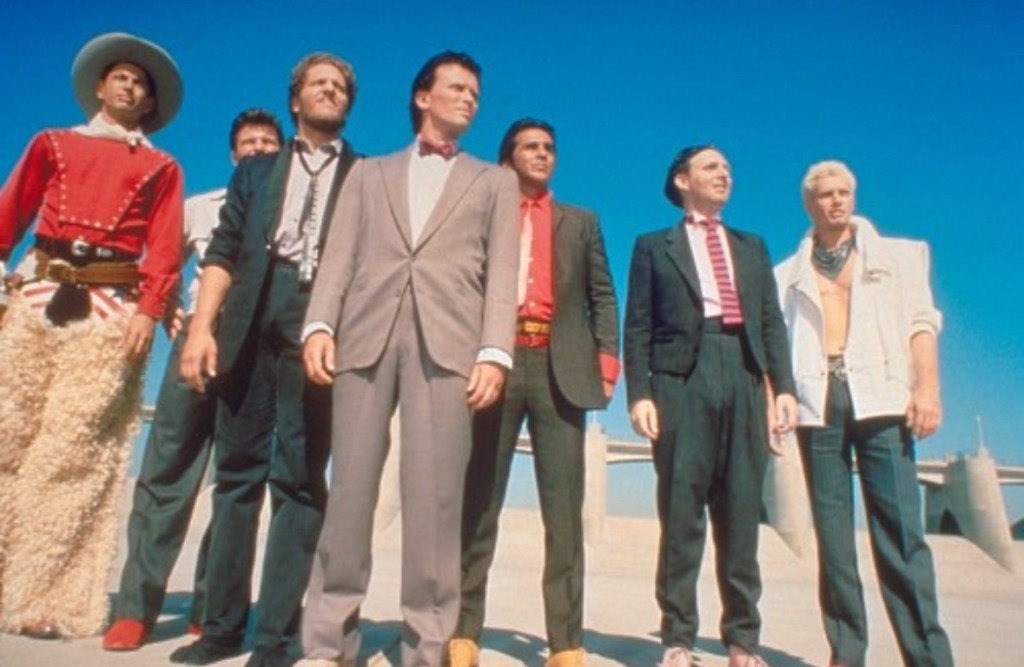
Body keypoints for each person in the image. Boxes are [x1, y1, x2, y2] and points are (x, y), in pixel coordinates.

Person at [297, 51, 519, 667]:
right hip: (364, 338)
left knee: (436, 502)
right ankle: (328, 642)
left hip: (450, 347)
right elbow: (339, 255)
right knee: (349, 492)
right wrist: (319, 323)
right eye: (458, 87)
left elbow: (503, 272)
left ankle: (426, 647)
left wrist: (494, 351)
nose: (470, 98)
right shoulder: (368, 173)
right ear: (423, 96)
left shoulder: (494, 182)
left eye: (476, 92)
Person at [172, 54, 359, 667]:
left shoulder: (365, 175)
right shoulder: (255, 171)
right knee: (236, 476)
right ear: (295, 101)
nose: (330, 90)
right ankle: (221, 627)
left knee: (300, 479)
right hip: (250, 316)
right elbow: (222, 252)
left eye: (340, 86)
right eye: (318, 83)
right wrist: (203, 329)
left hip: (321, 323)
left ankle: (276, 637)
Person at [0, 31, 183, 639]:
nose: (130, 87)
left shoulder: (162, 167)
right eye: (121, 77)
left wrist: (148, 312)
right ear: (100, 88)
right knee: (7, 434)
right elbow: (10, 212)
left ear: (150, 103)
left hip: (110, 307)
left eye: (141, 83)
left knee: (75, 453)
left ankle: (45, 597)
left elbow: (164, 248)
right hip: (37, 292)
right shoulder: (51, 142)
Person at [103, 109, 285, 652]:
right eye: (249, 142)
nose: (258, 149)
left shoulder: (289, 209)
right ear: (233, 153)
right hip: (198, 340)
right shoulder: (200, 206)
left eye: (268, 143)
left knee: (239, 480)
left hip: (258, 352)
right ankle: (136, 608)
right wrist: (166, 314)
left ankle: (213, 607)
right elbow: (159, 263)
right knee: (167, 469)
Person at [449, 118, 619, 667]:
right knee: (479, 502)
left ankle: (566, 642)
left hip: (559, 368)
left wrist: (606, 367)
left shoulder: (582, 222)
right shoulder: (483, 217)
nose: (544, 154)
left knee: (564, 514)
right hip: (494, 363)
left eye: (549, 147)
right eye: (531, 147)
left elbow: (602, 295)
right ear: (507, 161)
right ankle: (462, 631)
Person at [623, 145, 798, 667]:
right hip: (681, 379)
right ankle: (678, 638)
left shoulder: (752, 246)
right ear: (683, 180)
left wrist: (783, 388)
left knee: (742, 513)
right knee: (682, 513)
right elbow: (638, 325)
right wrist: (640, 393)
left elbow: (770, 322)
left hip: (744, 371)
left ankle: (742, 641)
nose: (725, 174)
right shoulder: (653, 246)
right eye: (711, 167)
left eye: (727, 168)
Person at [774, 161, 954, 667]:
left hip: (882, 397)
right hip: (818, 400)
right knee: (834, 542)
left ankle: (928, 657)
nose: (837, 200)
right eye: (826, 194)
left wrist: (927, 389)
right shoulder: (785, 274)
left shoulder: (900, 256)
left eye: (844, 192)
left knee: (901, 535)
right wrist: (776, 400)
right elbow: (774, 347)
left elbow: (921, 324)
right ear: (809, 204)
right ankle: (846, 653)